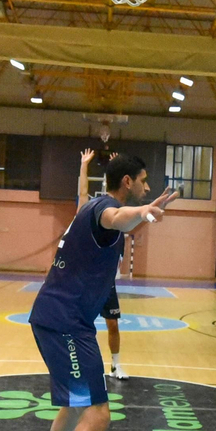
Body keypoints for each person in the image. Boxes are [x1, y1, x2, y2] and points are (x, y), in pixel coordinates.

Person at [19, 153, 177, 431]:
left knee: (76, 406)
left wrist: (140, 212)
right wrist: (144, 210)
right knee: (98, 415)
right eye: (143, 181)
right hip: (67, 324)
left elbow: (118, 219)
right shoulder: (106, 209)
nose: (146, 186)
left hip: (56, 317)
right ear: (127, 182)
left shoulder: (88, 207)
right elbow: (117, 218)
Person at [78, 149, 129, 380]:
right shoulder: (87, 213)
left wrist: (115, 167)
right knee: (82, 327)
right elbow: (82, 193)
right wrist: (84, 165)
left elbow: (116, 192)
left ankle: (115, 366)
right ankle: (80, 366)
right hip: (87, 282)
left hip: (107, 283)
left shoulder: (116, 214)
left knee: (113, 325)